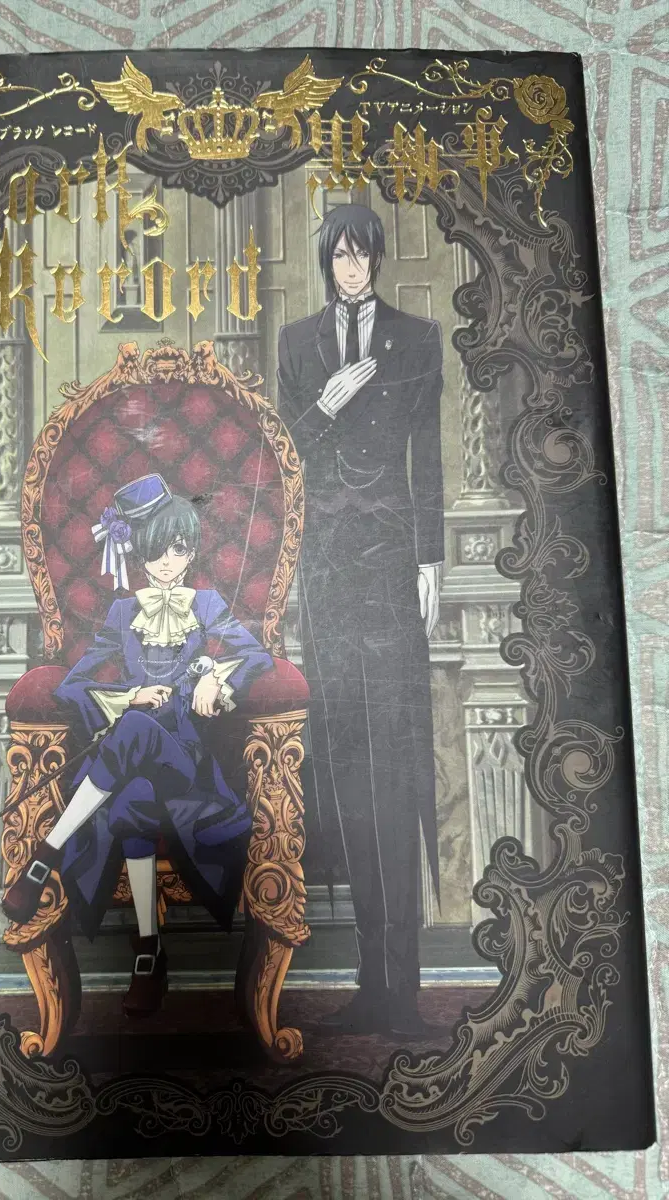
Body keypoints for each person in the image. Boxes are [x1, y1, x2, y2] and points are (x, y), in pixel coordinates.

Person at [1, 473, 273, 1017]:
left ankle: (46, 854)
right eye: (156, 551)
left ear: (191, 550)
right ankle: (149, 952)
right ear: (138, 553)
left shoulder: (206, 603)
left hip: (187, 763)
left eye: (178, 549)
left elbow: (256, 656)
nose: (168, 561)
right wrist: (130, 695)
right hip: (133, 772)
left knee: (136, 731)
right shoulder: (122, 613)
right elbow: (72, 685)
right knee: (131, 801)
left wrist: (213, 678)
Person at [276, 203, 444, 1036]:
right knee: (344, 767)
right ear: (325, 261)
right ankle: (369, 985)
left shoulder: (417, 339)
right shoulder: (296, 343)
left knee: (396, 764)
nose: (351, 268)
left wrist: (431, 560)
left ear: (376, 259)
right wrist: (325, 406)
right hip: (327, 572)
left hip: (390, 565)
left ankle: (402, 991)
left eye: (361, 255)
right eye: (339, 256)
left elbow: (429, 456)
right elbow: (281, 456)